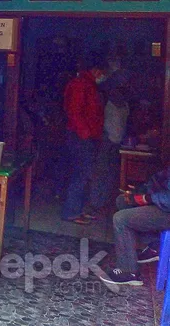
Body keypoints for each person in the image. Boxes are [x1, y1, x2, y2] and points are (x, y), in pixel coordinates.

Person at [99, 168, 170, 286]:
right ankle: (154, 245)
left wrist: (146, 198)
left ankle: (128, 271)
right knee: (123, 201)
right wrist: (139, 191)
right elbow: (158, 179)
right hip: (164, 205)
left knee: (121, 219)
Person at [61, 55, 105, 224]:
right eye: (101, 72)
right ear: (94, 70)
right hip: (80, 136)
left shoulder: (90, 85)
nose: (102, 75)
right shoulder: (81, 84)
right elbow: (74, 112)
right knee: (81, 174)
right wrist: (85, 133)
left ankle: (79, 210)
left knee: (85, 174)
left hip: (87, 136)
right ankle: (71, 212)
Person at [86, 85, 130, 215]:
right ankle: (94, 203)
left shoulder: (125, 105)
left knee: (111, 174)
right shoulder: (104, 101)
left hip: (118, 143)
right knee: (100, 173)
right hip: (105, 141)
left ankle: (103, 202)